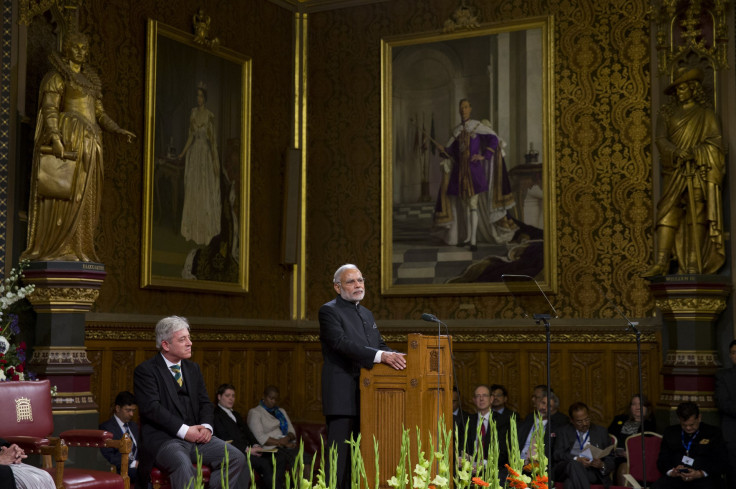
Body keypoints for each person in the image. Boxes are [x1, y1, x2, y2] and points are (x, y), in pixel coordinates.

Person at [21, 31, 135, 262]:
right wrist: (54, 137)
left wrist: (118, 129)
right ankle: (57, 247)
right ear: (67, 49)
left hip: (92, 144)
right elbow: (50, 108)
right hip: (70, 138)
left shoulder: (91, 81)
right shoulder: (57, 77)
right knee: (65, 193)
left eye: (85, 48)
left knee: (86, 195)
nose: (81, 52)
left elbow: (100, 114)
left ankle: (78, 246)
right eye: (76, 47)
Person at [318, 263, 406, 489]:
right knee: (339, 461)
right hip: (342, 396)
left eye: (360, 280)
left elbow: (378, 345)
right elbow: (341, 344)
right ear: (338, 287)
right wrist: (382, 356)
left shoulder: (366, 313)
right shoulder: (328, 311)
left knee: (361, 458)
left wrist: (404, 357)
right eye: (351, 282)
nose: (358, 285)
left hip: (369, 397)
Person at [133, 316, 245, 489]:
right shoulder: (146, 371)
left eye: (189, 338)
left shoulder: (193, 369)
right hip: (165, 441)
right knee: (183, 464)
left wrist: (207, 427)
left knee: (236, 457)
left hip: (197, 439)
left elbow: (205, 403)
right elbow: (152, 409)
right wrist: (185, 431)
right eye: (182, 339)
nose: (190, 343)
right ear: (165, 345)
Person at [643, 66, 725, 276]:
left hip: (697, 171)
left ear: (693, 89)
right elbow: (660, 139)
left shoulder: (705, 114)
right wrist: (677, 152)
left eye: (682, 88)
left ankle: (692, 263)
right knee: (667, 212)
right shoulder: (667, 114)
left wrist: (697, 152)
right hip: (674, 170)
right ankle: (661, 261)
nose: (679, 92)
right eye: (677, 89)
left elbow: (716, 142)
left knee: (697, 212)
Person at [434, 99, 516, 250]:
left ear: (470, 109)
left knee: (473, 205)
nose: (463, 110)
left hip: (474, 172)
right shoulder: (457, 131)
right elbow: (451, 152)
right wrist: (443, 149)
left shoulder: (478, 126)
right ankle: (466, 237)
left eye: (466, 107)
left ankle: (473, 241)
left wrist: (484, 156)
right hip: (459, 173)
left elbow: (493, 139)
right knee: (465, 205)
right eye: (461, 108)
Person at [178, 83, 222, 246]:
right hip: (194, 155)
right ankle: (192, 230)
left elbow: (212, 142)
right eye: (197, 96)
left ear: (205, 98)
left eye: (201, 96)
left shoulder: (209, 116)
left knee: (203, 189)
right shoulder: (193, 114)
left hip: (204, 157)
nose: (199, 99)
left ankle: (204, 232)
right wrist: (182, 152)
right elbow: (191, 136)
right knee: (193, 189)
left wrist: (214, 161)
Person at [214, 384, 278, 489]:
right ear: (219, 397)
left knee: (277, 458)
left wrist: (256, 445)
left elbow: (249, 433)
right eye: (227, 395)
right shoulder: (215, 415)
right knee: (265, 464)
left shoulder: (236, 414)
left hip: (249, 450)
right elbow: (225, 440)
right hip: (236, 453)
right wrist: (248, 450)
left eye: (233, 396)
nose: (231, 398)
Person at [653, 401, 724, 488]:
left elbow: (720, 461)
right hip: (677, 478)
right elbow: (662, 460)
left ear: (699, 418)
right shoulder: (670, 432)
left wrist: (699, 473)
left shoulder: (713, 432)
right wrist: (672, 472)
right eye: (684, 425)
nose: (688, 428)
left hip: (704, 478)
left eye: (692, 424)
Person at [553, 402, 615, 488]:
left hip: (591, 471)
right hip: (565, 469)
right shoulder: (563, 431)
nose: (585, 424)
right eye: (579, 422)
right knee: (574, 464)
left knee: (569, 484)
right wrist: (577, 459)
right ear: (572, 420)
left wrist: (602, 465)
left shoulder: (601, 432)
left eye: (587, 419)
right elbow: (557, 454)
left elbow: (611, 458)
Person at [246, 385, 297, 488]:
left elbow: (292, 432)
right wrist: (280, 442)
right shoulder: (255, 412)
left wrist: (286, 440)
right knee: (281, 458)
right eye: (271, 398)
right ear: (264, 396)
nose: (273, 401)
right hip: (269, 449)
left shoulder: (281, 411)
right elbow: (260, 438)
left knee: (303, 458)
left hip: (285, 445)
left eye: (276, 399)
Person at [607, 394, 656, 485]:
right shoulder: (619, 419)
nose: (637, 407)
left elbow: (651, 449)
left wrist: (631, 455)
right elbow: (607, 438)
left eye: (641, 404)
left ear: (647, 407)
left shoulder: (650, 425)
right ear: (630, 407)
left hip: (635, 460)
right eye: (634, 404)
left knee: (624, 469)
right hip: (614, 456)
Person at [464, 384, 510, 474]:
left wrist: (485, 464)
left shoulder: (502, 421)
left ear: (491, 399)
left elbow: (504, 451)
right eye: (478, 396)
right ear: (474, 400)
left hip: (493, 470)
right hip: (469, 469)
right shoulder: (467, 421)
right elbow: (462, 447)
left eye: (485, 395)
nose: (481, 399)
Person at [99, 391, 140, 484]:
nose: (131, 414)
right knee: (143, 474)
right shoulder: (106, 428)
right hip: (120, 469)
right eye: (128, 410)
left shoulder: (133, 426)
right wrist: (132, 463)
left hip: (137, 467)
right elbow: (109, 456)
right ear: (118, 408)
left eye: (133, 410)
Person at [518, 390, 566, 468]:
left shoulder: (556, 429)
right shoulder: (523, 425)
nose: (544, 407)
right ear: (537, 403)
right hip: (519, 464)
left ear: (553, 410)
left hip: (540, 468)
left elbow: (555, 454)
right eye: (543, 403)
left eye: (549, 406)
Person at [715, 339, 736, 487]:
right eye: (734, 353)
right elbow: (723, 403)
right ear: (729, 356)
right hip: (732, 432)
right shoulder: (723, 376)